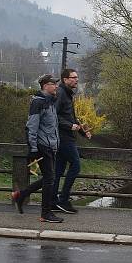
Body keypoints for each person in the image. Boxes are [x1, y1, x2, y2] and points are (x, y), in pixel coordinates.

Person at [12, 74, 63, 223]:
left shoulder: (50, 102)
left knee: (49, 178)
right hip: (43, 146)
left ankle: (20, 195)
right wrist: (33, 149)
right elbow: (31, 127)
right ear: (45, 85)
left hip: (50, 146)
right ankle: (45, 213)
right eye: (54, 84)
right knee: (50, 179)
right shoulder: (38, 103)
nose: (56, 87)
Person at [53, 68, 91, 214]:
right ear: (65, 79)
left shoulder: (67, 94)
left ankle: (53, 201)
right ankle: (63, 200)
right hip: (64, 138)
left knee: (58, 171)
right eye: (73, 77)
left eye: (77, 77)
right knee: (75, 166)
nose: (76, 80)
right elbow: (54, 116)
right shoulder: (61, 93)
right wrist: (70, 126)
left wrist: (82, 131)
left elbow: (71, 117)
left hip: (66, 137)